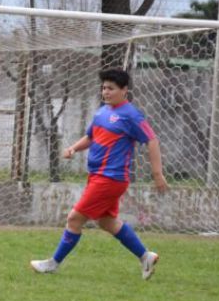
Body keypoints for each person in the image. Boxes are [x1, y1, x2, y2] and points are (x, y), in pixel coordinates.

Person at [30, 68, 168, 280]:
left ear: (124, 90)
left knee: (74, 218)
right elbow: (91, 136)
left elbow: (152, 140)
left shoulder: (131, 115)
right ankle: (145, 256)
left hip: (110, 178)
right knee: (106, 222)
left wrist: (157, 174)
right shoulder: (102, 112)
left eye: (111, 88)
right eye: (103, 88)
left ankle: (53, 263)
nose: (106, 92)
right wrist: (73, 148)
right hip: (98, 176)